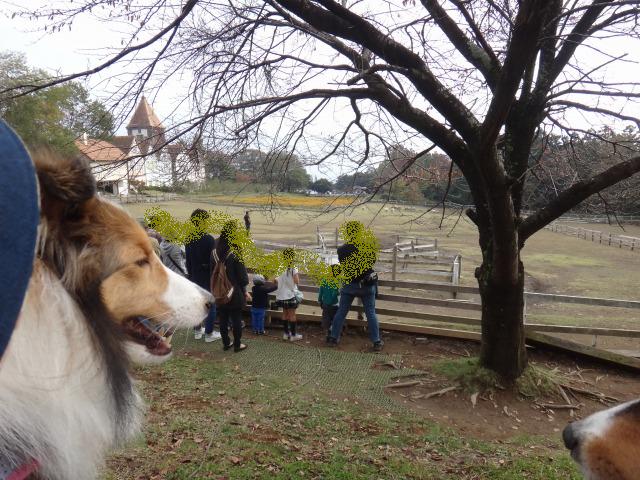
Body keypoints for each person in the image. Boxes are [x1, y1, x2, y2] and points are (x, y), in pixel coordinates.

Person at [326, 221, 383, 352]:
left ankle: (334, 338)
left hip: (349, 285)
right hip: (366, 285)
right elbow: (371, 262)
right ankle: (376, 341)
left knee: (342, 311)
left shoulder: (341, 250)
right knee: (371, 312)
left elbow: (344, 265)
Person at [211, 220, 251, 352]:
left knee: (222, 317)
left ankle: (226, 343)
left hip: (219, 291)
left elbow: (212, 272)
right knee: (236, 319)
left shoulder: (214, 251)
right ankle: (238, 344)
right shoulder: (235, 251)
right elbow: (244, 279)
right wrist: (244, 289)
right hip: (234, 292)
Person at [185, 209, 221, 342]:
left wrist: (191, 274)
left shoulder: (189, 238)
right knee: (210, 305)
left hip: (194, 276)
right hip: (207, 277)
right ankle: (209, 334)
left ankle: (197, 331)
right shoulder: (208, 239)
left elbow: (188, 261)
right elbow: (213, 261)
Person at [275, 248, 302, 341]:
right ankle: (293, 335)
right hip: (290, 295)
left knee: (284, 314)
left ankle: (286, 334)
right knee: (292, 315)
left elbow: (274, 280)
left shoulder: (280, 266)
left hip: (281, 295)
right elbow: (297, 281)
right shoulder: (293, 267)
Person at [318, 264, 340, 337]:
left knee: (326, 318)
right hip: (334, 305)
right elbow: (334, 293)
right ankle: (332, 333)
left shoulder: (324, 280)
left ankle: (327, 333)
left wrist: (320, 300)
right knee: (334, 319)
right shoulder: (336, 282)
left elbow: (320, 291)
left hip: (325, 304)